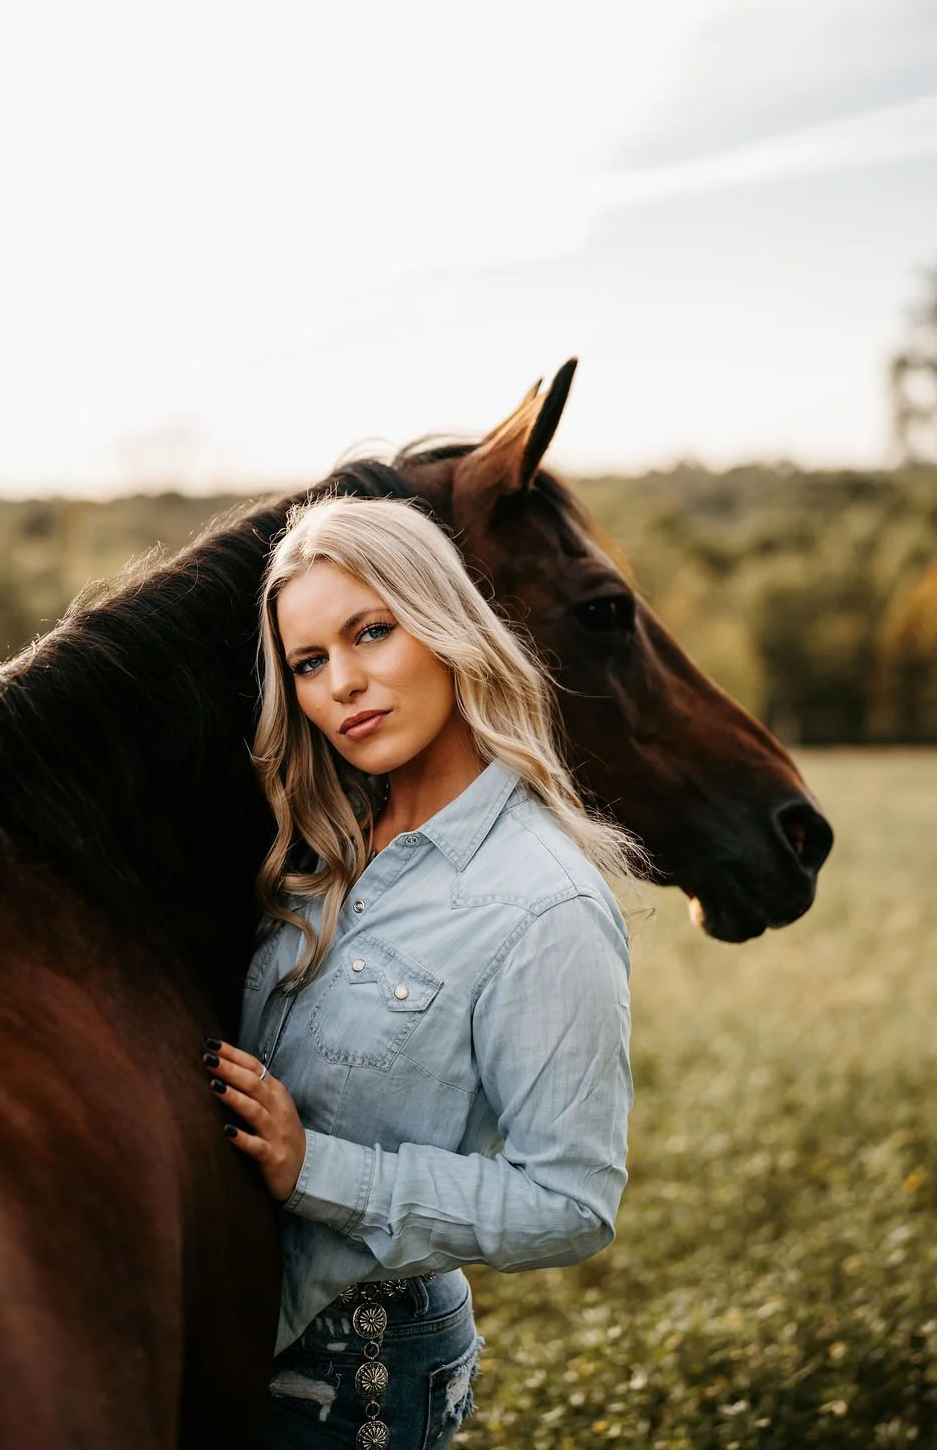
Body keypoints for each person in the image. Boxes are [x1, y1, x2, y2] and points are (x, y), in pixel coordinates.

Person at [201, 494, 637, 1449]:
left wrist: (316, 1169)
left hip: (362, 1369)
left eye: (372, 633)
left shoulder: (544, 903)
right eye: (310, 663)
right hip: (228, 1339)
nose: (343, 684)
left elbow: (572, 1206)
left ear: (444, 627)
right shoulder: (317, 848)